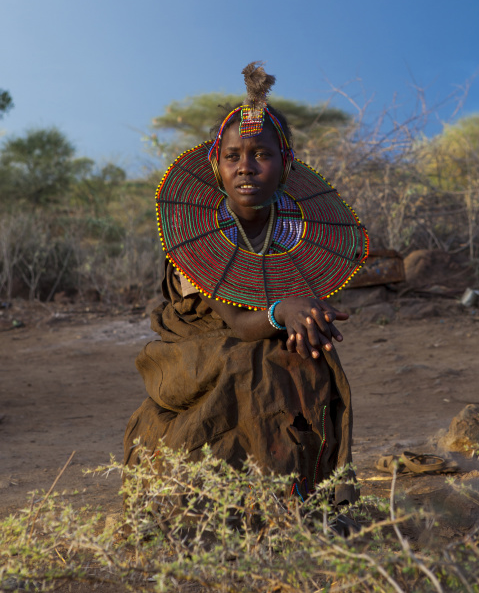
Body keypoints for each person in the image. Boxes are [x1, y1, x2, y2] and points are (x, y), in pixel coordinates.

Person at [124, 62, 368, 508]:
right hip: (205, 339)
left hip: (262, 328)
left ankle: (305, 493)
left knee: (311, 356)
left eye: (262, 154)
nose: (246, 168)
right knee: (252, 369)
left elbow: (299, 296)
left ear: (285, 163)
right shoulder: (200, 238)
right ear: (217, 166)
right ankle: (227, 501)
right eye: (233, 156)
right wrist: (285, 313)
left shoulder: (296, 229)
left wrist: (310, 317)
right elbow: (237, 322)